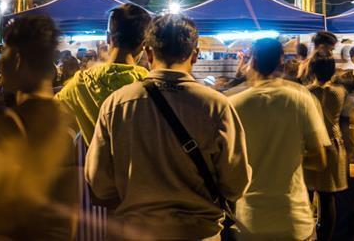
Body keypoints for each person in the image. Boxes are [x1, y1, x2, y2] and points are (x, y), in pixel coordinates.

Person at [86, 14, 250, 240]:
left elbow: (99, 183)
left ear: (148, 52)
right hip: (199, 233)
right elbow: (236, 184)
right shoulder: (216, 106)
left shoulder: (117, 104)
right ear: (195, 54)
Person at [230, 38, 329, 239]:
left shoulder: (232, 104)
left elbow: (225, 165)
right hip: (293, 220)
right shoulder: (300, 98)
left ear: (253, 63)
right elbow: (320, 160)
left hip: (249, 222)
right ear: (282, 64)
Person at [0, 15, 79, 239]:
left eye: (3, 51)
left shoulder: (10, 123)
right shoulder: (67, 118)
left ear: (17, 58)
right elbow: (71, 208)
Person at [56, 3, 152, 145]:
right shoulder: (152, 86)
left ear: (108, 37)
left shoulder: (80, 83)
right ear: (143, 44)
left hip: (95, 165)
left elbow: (48, 115)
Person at [305, 56, 348, 241]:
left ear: (313, 71)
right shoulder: (340, 92)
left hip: (310, 147)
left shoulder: (306, 92)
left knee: (306, 194)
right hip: (333, 146)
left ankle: (306, 234)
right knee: (327, 197)